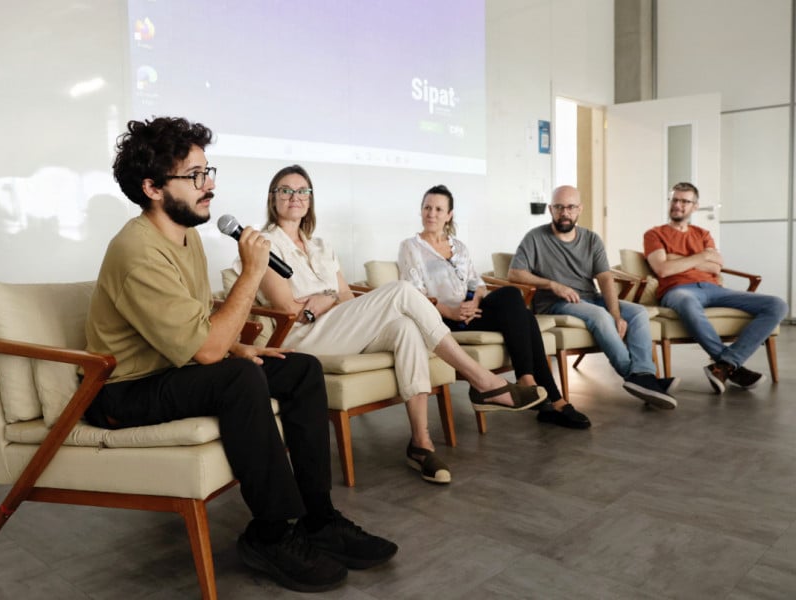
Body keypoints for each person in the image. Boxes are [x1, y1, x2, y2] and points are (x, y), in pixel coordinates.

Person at [84, 117, 398, 594]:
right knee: (237, 378)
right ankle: (270, 534)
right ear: (152, 187)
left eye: (208, 172)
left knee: (300, 369)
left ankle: (319, 518)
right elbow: (206, 350)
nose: (208, 185)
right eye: (194, 176)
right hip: (124, 391)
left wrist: (237, 344)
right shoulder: (137, 251)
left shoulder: (184, 235)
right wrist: (252, 273)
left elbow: (195, 325)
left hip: (174, 367)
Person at [232, 165, 545, 485]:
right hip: (302, 337)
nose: (295, 197)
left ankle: (420, 443)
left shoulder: (321, 246)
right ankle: (481, 381)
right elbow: (289, 308)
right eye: (285, 190)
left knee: (406, 328)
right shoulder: (262, 244)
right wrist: (329, 299)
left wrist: (327, 298)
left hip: (339, 328)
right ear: (273, 198)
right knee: (402, 290)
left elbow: (344, 296)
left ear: (310, 199)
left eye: (302, 191)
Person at [397, 184, 591, 429]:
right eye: (427, 208)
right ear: (421, 211)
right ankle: (551, 397)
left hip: (470, 312)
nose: (431, 214)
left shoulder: (459, 247)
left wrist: (474, 302)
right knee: (525, 316)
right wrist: (451, 311)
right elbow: (415, 295)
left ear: (449, 215)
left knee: (513, 298)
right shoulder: (411, 247)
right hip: (440, 319)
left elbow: (476, 284)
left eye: (438, 209)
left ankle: (533, 388)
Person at [507, 185, 679, 409]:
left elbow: (605, 278)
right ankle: (635, 376)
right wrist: (552, 285)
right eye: (559, 207)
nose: (565, 213)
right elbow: (514, 273)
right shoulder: (535, 238)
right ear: (550, 209)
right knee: (599, 315)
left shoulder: (591, 239)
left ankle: (644, 374)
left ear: (580, 209)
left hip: (590, 296)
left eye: (570, 207)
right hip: (555, 303)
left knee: (638, 312)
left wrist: (616, 314)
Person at [644, 182, 788, 392]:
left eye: (684, 201)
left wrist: (677, 259)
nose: (677, 205)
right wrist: (702, 256)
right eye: (674, 200)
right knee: (687, 302)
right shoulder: (654, 234)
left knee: (777, 305)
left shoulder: (703, 233)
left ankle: (725, 364)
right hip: (678, 290)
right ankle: (731, 367)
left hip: (714, 289)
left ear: (695, 206)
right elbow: (663, 269)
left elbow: (716, 266)